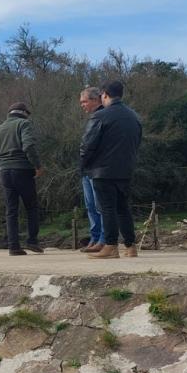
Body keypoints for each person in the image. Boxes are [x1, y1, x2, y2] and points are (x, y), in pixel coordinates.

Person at [80, 80, 143, 259]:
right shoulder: (134, 117)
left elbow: (87, 145)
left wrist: (84, 165)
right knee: (123, 208)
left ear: (105, 95)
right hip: (125, 169)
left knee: (107, 208)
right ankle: (131, 247)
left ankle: (110, 246)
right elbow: (137, 142)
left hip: (102, 170)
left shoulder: (100, 116)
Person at [0, 102, 43, 256]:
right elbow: (29, 146)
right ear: (24, 112)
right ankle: (32, 241)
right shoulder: (24, 124)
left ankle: (13, 246)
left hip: (5, 173)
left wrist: (1, 169)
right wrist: (37, 166)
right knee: (31, 207)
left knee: (11, 210)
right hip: (23, 170)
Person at [78, 87, 105, 252]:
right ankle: (95, 238)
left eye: (84, 101)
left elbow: (89, 145)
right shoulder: (93, 118)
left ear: (96, 100)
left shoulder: (101, 117)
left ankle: (102, 239)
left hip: (96, 168)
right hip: (88, 169)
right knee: (90, 206)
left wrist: (83, 161)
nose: (82, 105)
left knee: (99, 205)